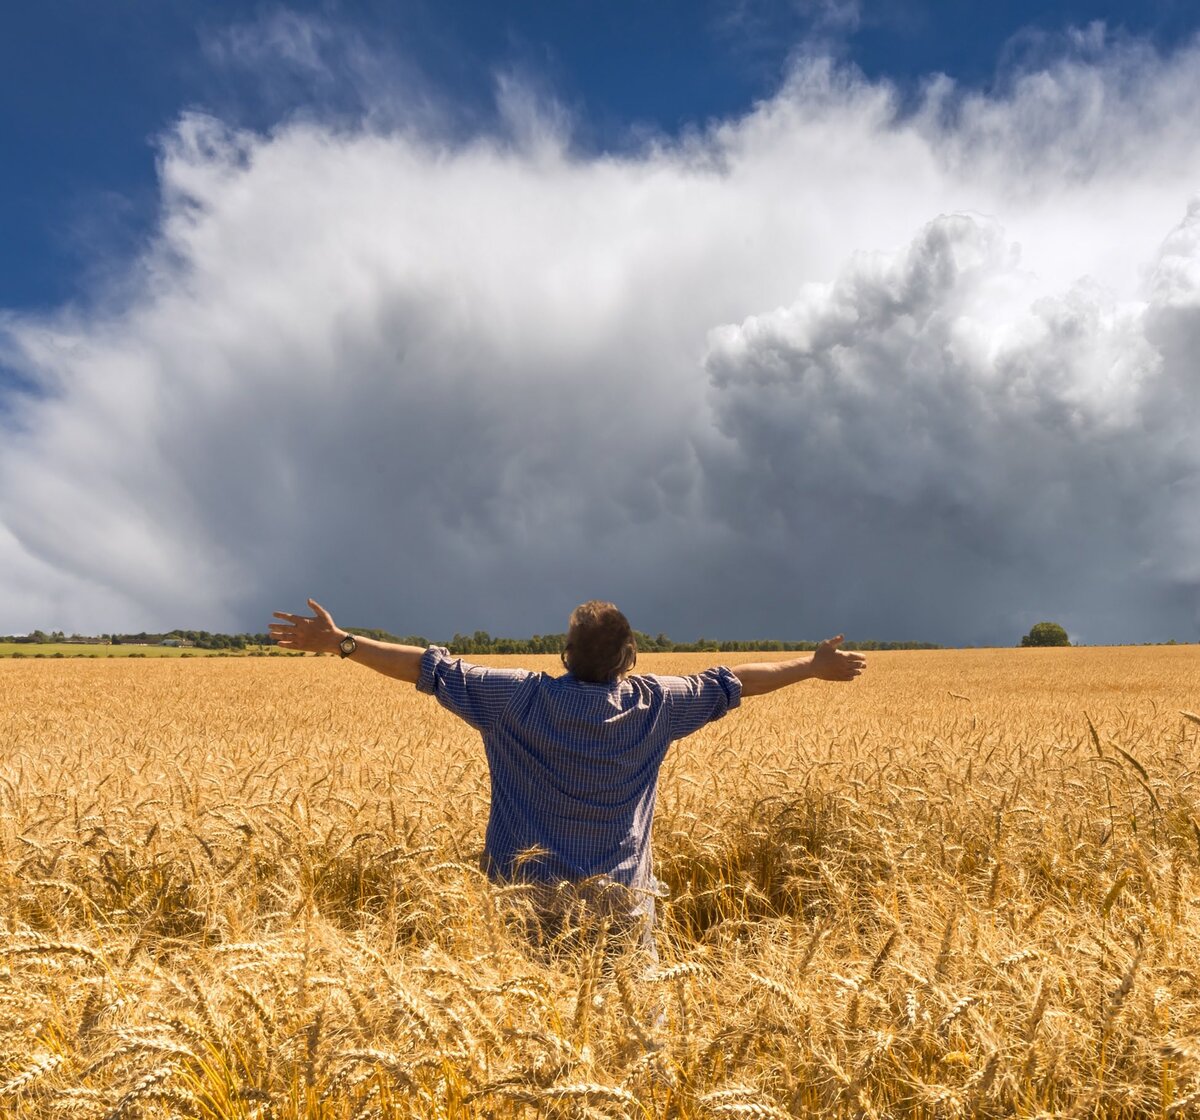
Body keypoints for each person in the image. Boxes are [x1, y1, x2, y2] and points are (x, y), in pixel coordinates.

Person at [268, 598, 866, 960]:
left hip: (525, 903)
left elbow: (425, 669)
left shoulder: (512, 698)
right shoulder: (657, 704)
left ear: (563, 655)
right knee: (631, 1047)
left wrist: (342, 642)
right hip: (622, 905)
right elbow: (733, 680)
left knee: (527, 1047)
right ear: (630, 657)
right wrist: (812, 667)